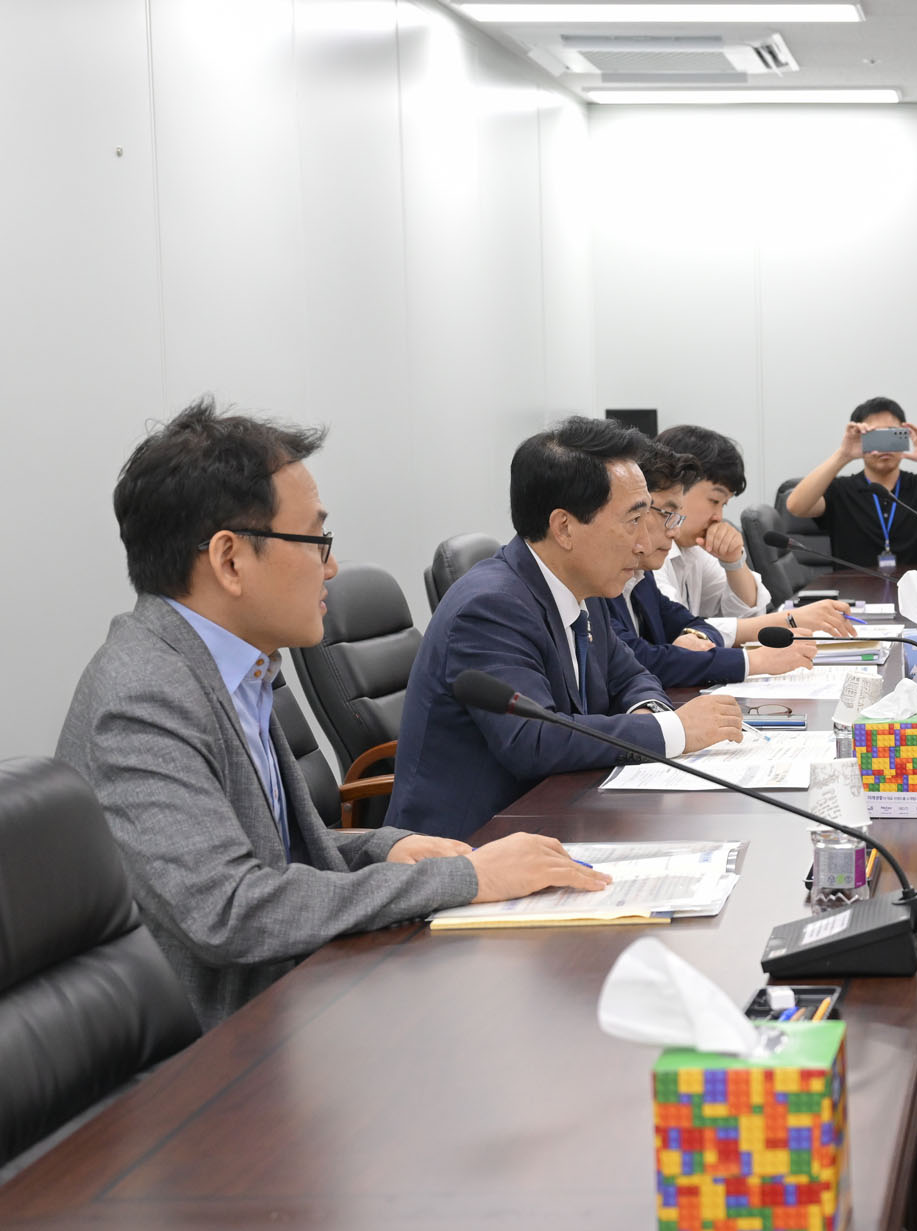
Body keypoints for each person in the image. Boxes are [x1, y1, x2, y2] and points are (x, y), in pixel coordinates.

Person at [57, 398, 609, 1029]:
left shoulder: (232, 667)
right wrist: (465, 878)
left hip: (291, 997)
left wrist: (389, 846)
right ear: (229, 560)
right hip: (224, 1047)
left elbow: (271, 856)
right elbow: (232, 908)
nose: (332, 566)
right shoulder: (144, 698)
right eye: (316, 540)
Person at [389, 418, 745, 840]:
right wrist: (674, 730)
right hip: (470, 846)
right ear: (564, 528)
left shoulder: (585, 590)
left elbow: (631, 675)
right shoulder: (491, 607)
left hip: (556, 819)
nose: (643, 543)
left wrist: (647, 712)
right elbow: (533, 739)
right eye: (633, 520)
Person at [605, 443, 816, 687]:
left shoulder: (643, 575)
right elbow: (637, 660)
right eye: (667, 513)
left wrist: (695, 637)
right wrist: (752, 661)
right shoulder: (603, 579)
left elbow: (693, 624)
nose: (674, 530)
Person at [653, 423, 853, 643]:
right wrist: (790, 620)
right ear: (675, 487)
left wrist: (733, 562)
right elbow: (680, 630)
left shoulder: (693, 551)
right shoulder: (649, 551)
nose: (718, 517)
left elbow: (748, 615)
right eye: (714, 500)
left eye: (724, 505)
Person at [783, 397, 917, 570]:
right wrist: (843, 455)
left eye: (892, 434)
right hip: (852, 595)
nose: (884, 447)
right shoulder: (840, 491)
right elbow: (796, 506)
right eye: (874, 436)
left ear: (904, 435)